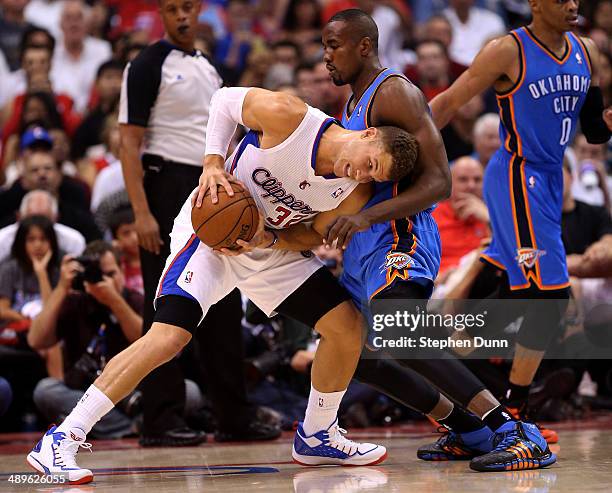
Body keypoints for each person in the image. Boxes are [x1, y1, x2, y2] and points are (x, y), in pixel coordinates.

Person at [26, 82, 419, 481]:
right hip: (210, 236)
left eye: (373, 174)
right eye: (370, 162)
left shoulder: (354, 191)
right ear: (368, 134)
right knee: (168, 337)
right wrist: (213, 163)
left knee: (347, 327)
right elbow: (223, 101)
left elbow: (313, 233)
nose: (362, 173)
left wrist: (269, 239)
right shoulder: (290, 116)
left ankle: (318, 434)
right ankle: (61, 439)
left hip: (267, 247)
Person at [320, 8, 554, 472]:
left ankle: (513, 429)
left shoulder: (395, 93)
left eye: (334, 45)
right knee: (350, 351)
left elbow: (439, 183)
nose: (325, 56)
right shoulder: (351, 104)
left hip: (400, 233)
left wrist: (367, 218)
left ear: (364, 46)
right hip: (367, 241)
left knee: (401, 330)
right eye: (324, 46)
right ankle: (469, 429)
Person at [430, 0, 612, 450]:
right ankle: (514, 414)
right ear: (534, 4)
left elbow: (592, 127)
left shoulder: (585, 50)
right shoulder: (507, 49)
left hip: (551, 178)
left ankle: (471, 413)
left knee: (515, 297)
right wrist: (407, 154)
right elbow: (451, 100)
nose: (572, 5)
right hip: (516, 175)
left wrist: (606, 125)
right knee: (550, 300)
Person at [117, 0, 279, 447]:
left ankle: (233, 413)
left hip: (211, 182)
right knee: (166, 303)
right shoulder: (147, 63)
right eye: (173, 10)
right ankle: (161, 417)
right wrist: (141, 212)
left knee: (222, 297)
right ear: (162, 16)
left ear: (200, 11)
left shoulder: (210, 66)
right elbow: (128, 145)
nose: (182, 17)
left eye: (188, 7)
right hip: (165, 181)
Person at [27, 241, 144, 439]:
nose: (104, 281)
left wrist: (114, 301)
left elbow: (144, 340)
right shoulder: (76, 302)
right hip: (85, 394)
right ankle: (133, 428)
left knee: (189, 391)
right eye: (98, 275)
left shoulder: (134, 300)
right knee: (45, 390)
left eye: (111, 274)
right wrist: (62, 287)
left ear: (122, 270)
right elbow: (36, 340)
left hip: (135, 391)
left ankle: (97, 428)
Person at [433, 156, 489, 278]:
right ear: (449, 183)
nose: (471, 186)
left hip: (482, 282)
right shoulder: (431, 217)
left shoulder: (493, 216)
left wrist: (488, 218)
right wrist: (439, 278)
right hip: (442, 285)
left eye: (477, 180)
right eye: (463, 179)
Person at [0, 190, 85, 263]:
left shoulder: (73, 241)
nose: (38, 226)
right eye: (32, 219)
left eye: (44, 221)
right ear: (19, 218)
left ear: (55, 218)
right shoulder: (2, 239)